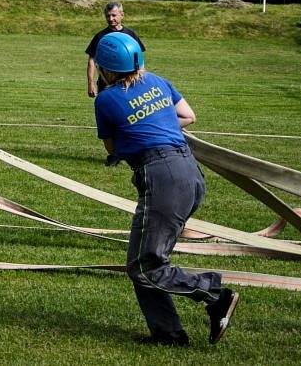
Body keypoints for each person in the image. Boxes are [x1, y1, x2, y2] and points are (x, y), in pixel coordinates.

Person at [93, 32, 238, 346]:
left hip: (161, 178)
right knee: (143, 261)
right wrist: (158, 124)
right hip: (189, 171)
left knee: (146, 267)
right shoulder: (159, 81)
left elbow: (112, 147)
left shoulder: (106, 99)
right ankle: (167, 334)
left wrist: (136, 132)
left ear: (105, 69)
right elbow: (188, 116)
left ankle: (214, 293)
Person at [85, 1, 145, 99]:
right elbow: (91, 61)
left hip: (129, 84)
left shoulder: (131, 35)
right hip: (106, 84)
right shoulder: (100, 36)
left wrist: (141, 81)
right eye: (108, 16)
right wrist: (90, 83)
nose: (110, 19)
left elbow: (139, 59)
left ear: (122, 15)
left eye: (114, 15)